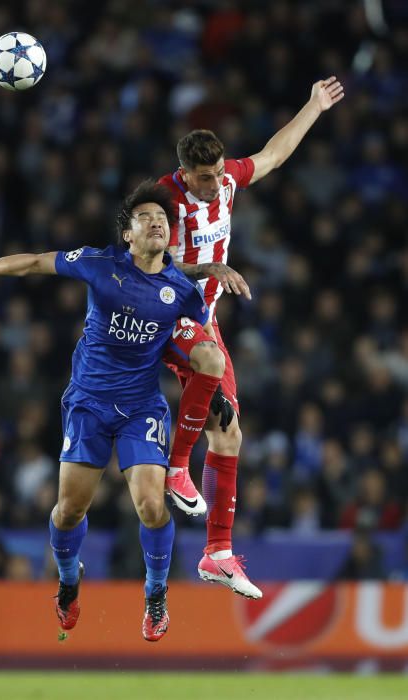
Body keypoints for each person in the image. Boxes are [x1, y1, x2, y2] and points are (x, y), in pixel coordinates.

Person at [0, 181, 219, 642]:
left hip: (140, 406)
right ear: (127, 234)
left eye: (163, 220)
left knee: (151, 506)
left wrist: (218, 391)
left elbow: (200, 348)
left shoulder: (182, 291)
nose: (156, 223)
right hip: (87, 404)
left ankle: (155, 595)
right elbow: (35, 261)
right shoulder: (100, 264)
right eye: (145, 218)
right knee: (69, 511)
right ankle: (68, 583)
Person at [159, 77, 345, 597]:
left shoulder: (228, 183)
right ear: (184, 173)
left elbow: (274, 154)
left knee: (232, 434)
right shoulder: (165, 200)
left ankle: (217, 553)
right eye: (204, 177)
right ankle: (177, 468)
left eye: (218, 173)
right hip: (171, 315)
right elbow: (159, 265)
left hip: (207, 319)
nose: (214, 183)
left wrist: (312, 107)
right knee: (210, 370)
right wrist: (210, 268)